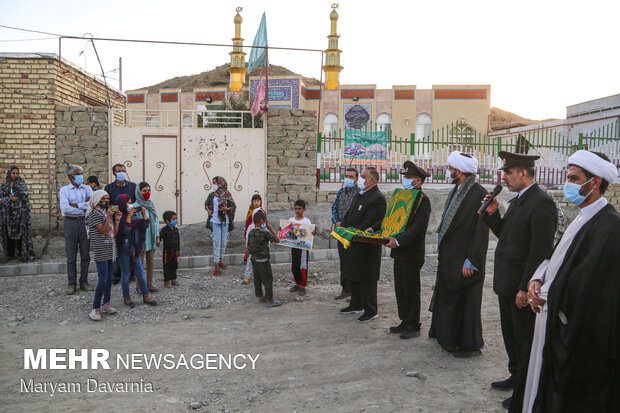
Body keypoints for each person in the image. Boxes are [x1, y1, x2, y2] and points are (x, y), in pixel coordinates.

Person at [525, 151, 619, 413]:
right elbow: (557, 257)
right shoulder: (582, 216)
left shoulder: (610, 225)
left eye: (573, 178)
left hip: (570, 324)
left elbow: (590, 282)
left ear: (595, 182)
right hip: (548, 311)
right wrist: (537, 279)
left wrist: (550, 295)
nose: (568, 184)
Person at [481, 151, 558, 411]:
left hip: (520, 286)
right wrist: (492, 214)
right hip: (507, 282)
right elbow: (507, 236)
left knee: (525, 339)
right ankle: (516, 375)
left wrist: (526, 286)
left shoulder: (541, 202)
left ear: (523, 173)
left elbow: (539, 249)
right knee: (511, 335)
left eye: (509, 172)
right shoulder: (518, 202)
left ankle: (524, 389)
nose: (505, 177)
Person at [429, 152, 489, 357]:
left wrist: (472, 261)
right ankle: (446, 337)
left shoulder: (478, 193)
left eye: (451, 168)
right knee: (448, 297)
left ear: (460, 171)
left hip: (465, 257)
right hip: (450, 253)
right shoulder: (458, 189)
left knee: (465, 301)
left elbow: (481, 231)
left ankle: (466, 344)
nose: (448, 171)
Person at [385, 161, 431, 339]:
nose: (405, 180)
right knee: (401, 288)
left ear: (418, 181)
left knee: (411, 289)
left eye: (409, 178)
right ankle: (404, 320)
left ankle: (414, 325)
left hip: (411, 252)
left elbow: (418, 228)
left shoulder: (422, 199)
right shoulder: (404, 196)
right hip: (400, 251)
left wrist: (399, 240)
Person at [339, 167, 387, 323]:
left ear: (371, 180)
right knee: (353, 274)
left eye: (363, 176)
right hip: (353, 241)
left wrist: (355, 233)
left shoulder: (377, 198)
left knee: (367, 278)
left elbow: (370, 221)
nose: (360, 179)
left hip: (366, 245)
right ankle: (356, 304)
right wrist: (344, 229)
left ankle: (370, 310)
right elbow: (348, 214)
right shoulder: (360, 194)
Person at [115, 194, 157, 308]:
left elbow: (145, 225)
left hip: (134, 250)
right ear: (123, 204)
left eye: (131, 203)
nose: (131, 205)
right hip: (123, 251)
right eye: (128, 202)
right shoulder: (118, 218)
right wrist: (128, 216)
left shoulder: (134, 217)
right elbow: (125, 230)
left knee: (140, 273)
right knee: (125, 274)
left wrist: (143, 214)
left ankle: (145, 295)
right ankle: (126, 297)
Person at [59, 165, 94, 295]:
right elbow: (65, 209)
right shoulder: (64, 190)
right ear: (70, 176)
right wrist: (84, 206)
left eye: (81, 174)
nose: (81, 176)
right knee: (71, 255)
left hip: (85, 222)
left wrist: (77, 205)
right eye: (78, 174)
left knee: (85, 254)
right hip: (70, 223)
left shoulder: (87, 188)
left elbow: (92, 204)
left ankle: (84, 281)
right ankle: (71, 283)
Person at [87, 190, 120, 321]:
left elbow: (113, 233)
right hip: (101, 250)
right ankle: (95, 308)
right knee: (103, 279)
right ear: (97, 200)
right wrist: (108, 218)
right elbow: (105, 231)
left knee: (109, 278)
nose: (106, 201)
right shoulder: (94, 214)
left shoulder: (107, 214)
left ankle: (106, 303)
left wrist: (116, 220)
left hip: (110, 250)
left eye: (108, 198)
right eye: (103, 199)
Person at [332, 167, 360, 300]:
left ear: (356, 179)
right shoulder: (340, 192)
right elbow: (334, 208)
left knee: (353, 262)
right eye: (347, 176)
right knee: (343, 261)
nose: (348, 179)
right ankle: (345, 289)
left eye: (351, 177)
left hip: (351, 233)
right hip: (340, 232)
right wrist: (336, 220)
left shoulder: (359, 194)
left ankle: (355, 290)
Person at [0, 166, 36, 262]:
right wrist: (9, 199)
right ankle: (10, 255)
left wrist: (14, 187)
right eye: (13, 173)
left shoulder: (21, 184)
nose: (15, 175)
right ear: (9, 174)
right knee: (9, 234)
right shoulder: (4, 186)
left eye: (17, 173)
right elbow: (1, 199)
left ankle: (21, 254)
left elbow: (24, 195)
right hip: (8, 215)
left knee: (21, 234)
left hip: (20, 215)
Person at [247, 210, 281, 307]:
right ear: (262, 221)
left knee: (257, 279)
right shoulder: (265, 232)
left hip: (254, 259)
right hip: (263, 260)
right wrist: (271, 229)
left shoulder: (251, 232)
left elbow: (248, 247)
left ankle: (260, 297)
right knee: (268, 279)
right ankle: (269, 299)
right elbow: (277, 240)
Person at [205, 176, 236, 276]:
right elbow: (206, 204)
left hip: (225, 221)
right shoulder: (212, 195)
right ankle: (216, 266)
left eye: (214, 182)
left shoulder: (227, 194)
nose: (213, 184)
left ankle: (220, 260)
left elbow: (233, 207)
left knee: (223, 242)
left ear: (220, 183)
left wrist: (226, 209)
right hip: (215, 221)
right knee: (217, 242)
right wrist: (208, 210)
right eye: (212, 182)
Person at [135, 182, 159, 292]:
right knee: (140, 263)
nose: (147, 193)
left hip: (152, 238)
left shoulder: (151, 204)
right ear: (139, 192)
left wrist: (157, 236)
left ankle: (150, 284)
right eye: (144, 191)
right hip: (141, 239)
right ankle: (139, 286)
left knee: (151, 262)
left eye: (148, 190)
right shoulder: (135, 206)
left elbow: (155, 220)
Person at [288, 199, 314, 296]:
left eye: (299, 209)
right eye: (295, 208)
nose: (297, 211)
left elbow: (310, 232)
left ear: (304, 209)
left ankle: (303, 285)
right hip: (294, 247)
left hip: (303, 248)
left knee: (303, 266)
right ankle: (297, 283)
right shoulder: (291, 220)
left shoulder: (307, 221)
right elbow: (287, 232)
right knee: (295, 266)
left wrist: (313, 232)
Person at [243, 194, 266, 285]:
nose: (256, 203)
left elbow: (267, 234)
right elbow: (248, 235)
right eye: (254, 201)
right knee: (250, 261)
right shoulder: (251, 225)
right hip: (252, 246)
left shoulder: (263, 221)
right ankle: (247, 276)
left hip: (261, 247)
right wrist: (247, 247)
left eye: (258, 201)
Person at [157, 210, 180, 288]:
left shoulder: (176, 230)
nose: (175, 220)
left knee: (174, 265)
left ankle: (173, 279)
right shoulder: (164, 230)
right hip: (167, 252)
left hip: (175, 251)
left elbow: (178, 240)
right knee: (167, 265)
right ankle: (167, 280)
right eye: (173, 219)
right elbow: (159, 239)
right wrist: (158, 241)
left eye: (176, 218)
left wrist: (178, 250)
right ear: (167, 221)